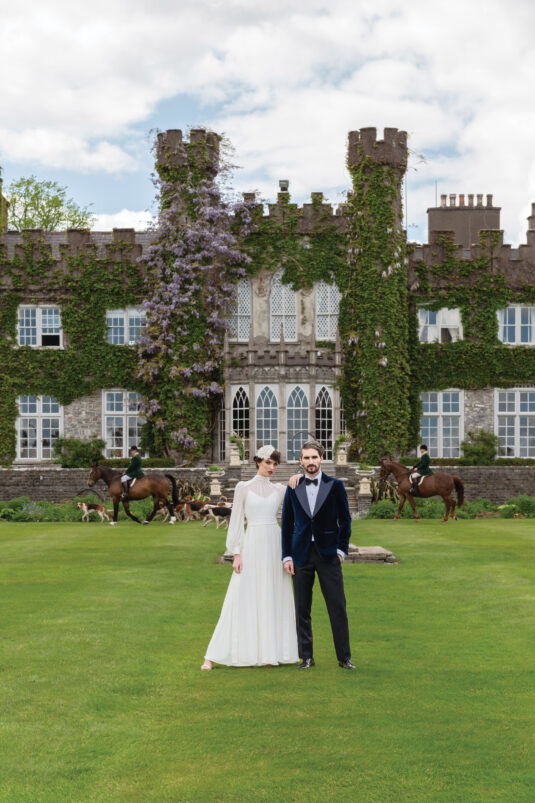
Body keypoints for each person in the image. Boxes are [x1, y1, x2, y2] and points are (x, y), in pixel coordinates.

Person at [201, 446, 301, 669]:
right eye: (268, 463)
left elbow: (301, 495)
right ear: (258, 462)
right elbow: (236, 520)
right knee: (238, 595)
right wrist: (236, 552)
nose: (272, 467)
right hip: (252, 542)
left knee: (272, 594)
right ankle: (212, 655)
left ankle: (268, 653)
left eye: (275, 464)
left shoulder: (280, 489)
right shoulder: (243, 487)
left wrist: (298, 476)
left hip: (274, 544)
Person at [281, 441, 355, 670]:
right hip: (300, 555)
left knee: (337, 606)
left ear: (321, 458)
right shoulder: (293, 487)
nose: (311, 461)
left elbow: (345, 521)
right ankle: (307, 657)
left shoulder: (335, 486)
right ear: (300, 461)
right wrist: (287, 556)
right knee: (302, 608)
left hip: (328, 554)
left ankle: (344, 658)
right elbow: (287, 524)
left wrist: (341, 550)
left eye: (314, 457)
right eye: (306, 458)